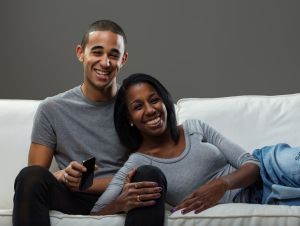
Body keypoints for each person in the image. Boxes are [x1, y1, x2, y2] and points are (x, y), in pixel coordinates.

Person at [12, 20, 161, 226]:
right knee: (30, 177)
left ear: (123, 59)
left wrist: (107, 192)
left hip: (122, 193)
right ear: (81, 53)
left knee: (150, 174)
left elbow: (154, 162)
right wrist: (63, 176)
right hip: (72, 197)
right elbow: (37, 175)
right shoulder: (52, 109)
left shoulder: (136, 107)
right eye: (97, 52)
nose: (105, 62)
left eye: (113, 55)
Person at [90, 73, 262, 225]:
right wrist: (120, 204)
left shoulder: (194, 127)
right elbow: (95, 213)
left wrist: (221, 185)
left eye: (154, 100)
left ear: (164, 102)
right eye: (138, 106)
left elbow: (252, 164)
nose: (150, 110)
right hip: (264, 196)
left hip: (271, 168)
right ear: (129, 118)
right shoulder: (137, 164)